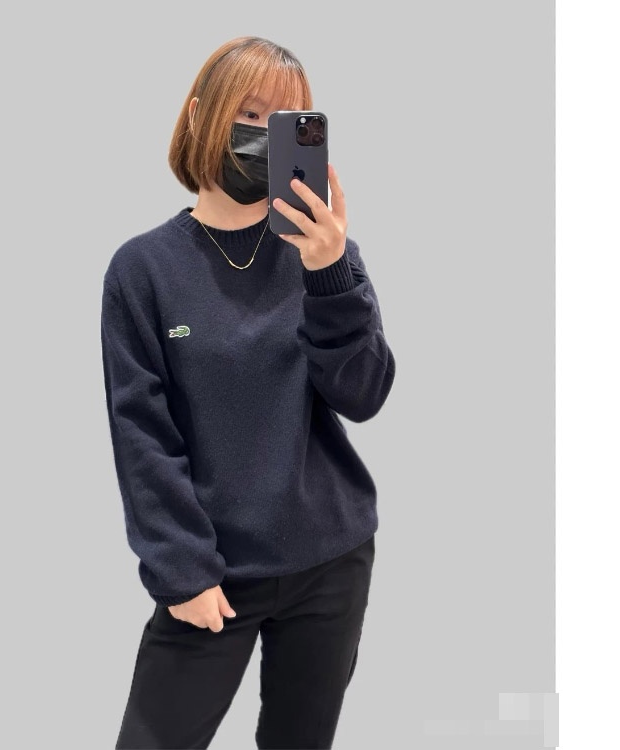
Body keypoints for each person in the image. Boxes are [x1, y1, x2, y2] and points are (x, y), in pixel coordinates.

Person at [100, 35, 396, 750]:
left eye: (287, 122)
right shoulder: (143, 270)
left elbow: (363, 394)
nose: (265, 136)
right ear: (199, 114)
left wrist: (330, 272)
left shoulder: (322, 253)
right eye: (250, 114)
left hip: (330, 559)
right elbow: (142, 435)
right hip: (212, 573)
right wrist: (181, 570)